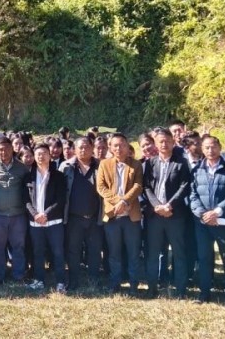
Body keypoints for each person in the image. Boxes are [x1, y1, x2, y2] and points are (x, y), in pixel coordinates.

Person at [189, 135, 225, 304]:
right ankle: (204, 293)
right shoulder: (197, 169)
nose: (210, 151)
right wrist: (202, 213)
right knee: (204, 258)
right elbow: (192, 194)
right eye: (206, 148)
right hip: (203, 222)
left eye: (213, 147)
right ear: (202, 149)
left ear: (220, 148)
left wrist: (217, 211)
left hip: (224, 221)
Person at [142, 127, 192, 298]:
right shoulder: (150, 162)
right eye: (160, 141)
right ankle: (151, 287)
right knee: (153, 253)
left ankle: (180, 289)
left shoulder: (181, 162)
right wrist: (157, 205)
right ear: (156, 144)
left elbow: (185, 186)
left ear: (173, 142)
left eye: (167, 141)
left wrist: (169, 205)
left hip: (174, 215)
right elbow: (146, 186)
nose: (164, 144)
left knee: (179, 252)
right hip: (155, 215)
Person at [96, 133, 143, 296]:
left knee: (133, 253)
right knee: (114, 253)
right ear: (110, 147)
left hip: (132, 216)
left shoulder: (136, 165)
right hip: (112, 216)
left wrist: (125, 201)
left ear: (127, 146)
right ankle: (115, 284)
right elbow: (101, 187)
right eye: (115, 145)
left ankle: (133, 286)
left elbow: (138, 186)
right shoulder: (104, 164)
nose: (118, 148)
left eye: (122, 144)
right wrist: (118, 202)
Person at [0, 137, 29, 285]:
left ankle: (18, 274)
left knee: (19, 246)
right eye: (0, 149)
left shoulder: (22, 168)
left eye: (7, 149)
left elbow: (27, 189)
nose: (4, 152)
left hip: (18, 215)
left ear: (12, 149)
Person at [24, 144, 67, 293]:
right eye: (38, 154)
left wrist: (46, 214)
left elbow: (61, 199)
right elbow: (26, 200)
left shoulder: (58, 175)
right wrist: (35, 214)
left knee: (58, 252)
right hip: (35, 222)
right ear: (34, 157)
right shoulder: (28, 176)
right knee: (38, 252)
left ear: (49, 155)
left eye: (44, 153)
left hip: (54, 222)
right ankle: (39, 280)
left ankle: (61, 282)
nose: (41, 156)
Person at [61, 136, 102, 291]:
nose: (83, 150)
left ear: (92, 148)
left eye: (86, 147)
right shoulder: (66, 167)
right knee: (73, 251)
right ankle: (73, 281)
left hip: (94, 217)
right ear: (74, 150)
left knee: (95, 250)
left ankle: (94, 280)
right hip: (73, 218)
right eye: (80, 147)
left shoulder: (101, 166)